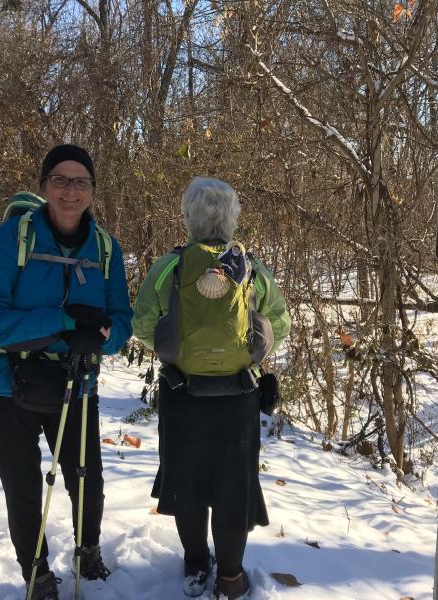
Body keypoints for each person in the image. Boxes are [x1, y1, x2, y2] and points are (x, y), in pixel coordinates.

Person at [0, 144, 133, 600]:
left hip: (76, 382)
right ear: (43, 187)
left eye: (81, 181)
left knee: (87, 478)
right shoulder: (12, 239)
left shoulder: (105, 247)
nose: (70, 190)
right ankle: (36, 573)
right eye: (60, 179)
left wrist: (97, 337)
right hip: (5, 385)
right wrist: (63, 323)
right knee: (22, 486)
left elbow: (122, 322)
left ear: (93, 192)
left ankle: (88, 550)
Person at [132, 177, 291, 600]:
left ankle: (196, 564)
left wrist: (177, 348)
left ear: (188, 217)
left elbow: (143, 324)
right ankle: (232, 577)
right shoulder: (252, 268)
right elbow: (281, 322)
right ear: (232, 217)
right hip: (238, 399)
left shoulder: (169, 266)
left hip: (182, 395)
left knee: (186, 482)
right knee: (232, 488)